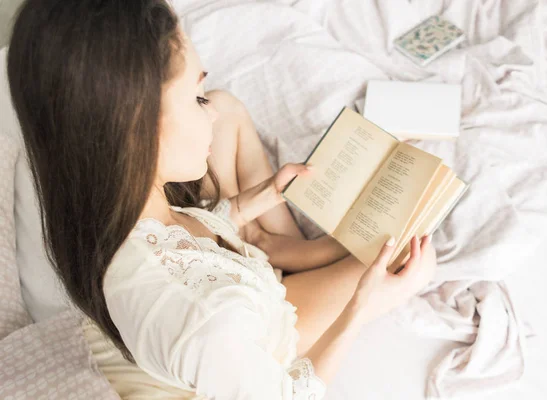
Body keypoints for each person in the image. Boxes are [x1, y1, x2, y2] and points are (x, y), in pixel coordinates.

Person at [6, 0, 437, 398]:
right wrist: (364, 306)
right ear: (133, 127)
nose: (210, 110)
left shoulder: (118, 215)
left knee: (385, 242)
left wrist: (258, 198)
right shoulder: (209, 323)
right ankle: (316, 252)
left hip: (251, 293)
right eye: (196, 98)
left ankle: (304, 250)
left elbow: (195, 235)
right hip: (269, 334)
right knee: (404, 252)